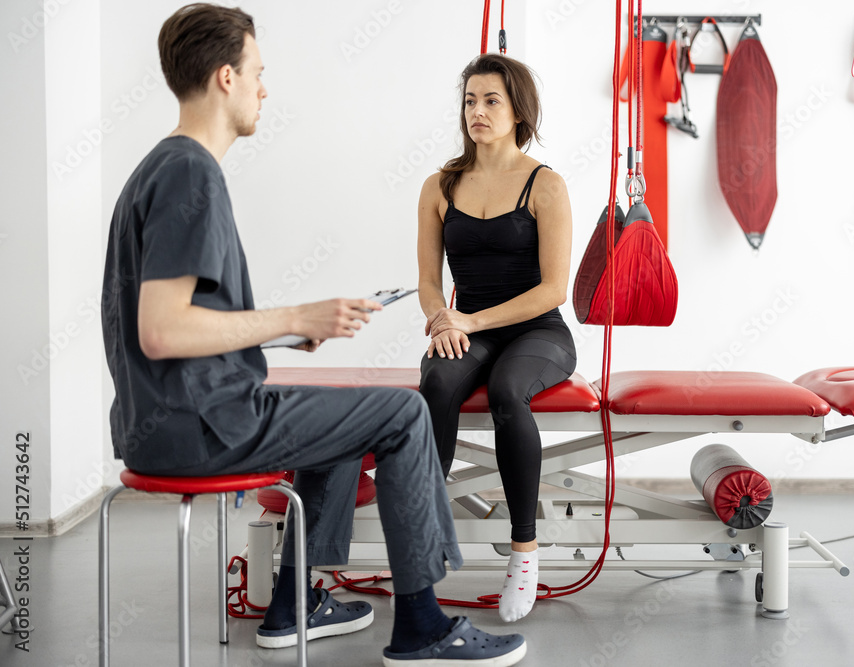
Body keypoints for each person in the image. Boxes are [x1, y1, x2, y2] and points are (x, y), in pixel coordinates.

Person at [101, 5, 526, 665]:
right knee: (405, 411)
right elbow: (160, 329)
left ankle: (294, 602)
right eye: (257, 73)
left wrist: (292, 335)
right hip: (205, 426)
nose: (263, 88)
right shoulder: (192, 173)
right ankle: (422, 624)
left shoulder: (158, 167)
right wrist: (294, 317)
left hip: (157, 424)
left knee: (342, 410)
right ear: (224, 78)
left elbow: (176, 327)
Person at [416, 54, 576, 623]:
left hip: (538, 332)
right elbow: (429, 285)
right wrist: (441, 320)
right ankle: (426, 544)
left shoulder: (545, 185)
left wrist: (469, 321)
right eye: (470, 101)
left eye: (491, 102)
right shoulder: (440, 185)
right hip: (467, 329)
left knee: (509, 392)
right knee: (435, 384)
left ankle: (524, 554)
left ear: (517, 112)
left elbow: (554, 290)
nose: (477, 112)